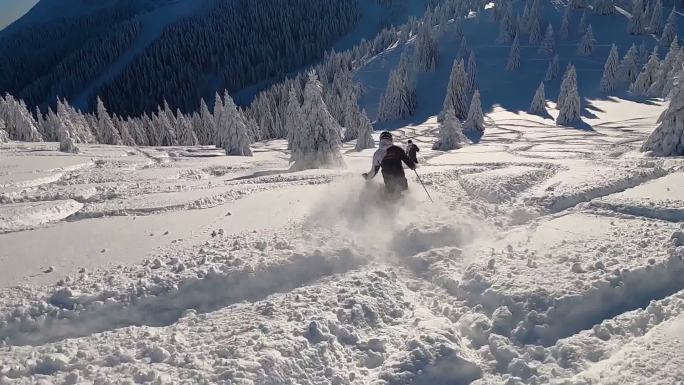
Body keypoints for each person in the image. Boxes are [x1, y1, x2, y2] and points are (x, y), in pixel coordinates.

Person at [363, 131, 416, 197]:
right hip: (401, 178)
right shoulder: (398, 149)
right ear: (390, 139)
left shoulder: (378, 154)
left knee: (391, 197)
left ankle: (390, 205)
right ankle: (410, 205)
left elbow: (374, 171)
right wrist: (412, 166)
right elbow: (407, 160)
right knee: (405, 194)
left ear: (380, 140)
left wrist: (368, 177)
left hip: (388, 181)